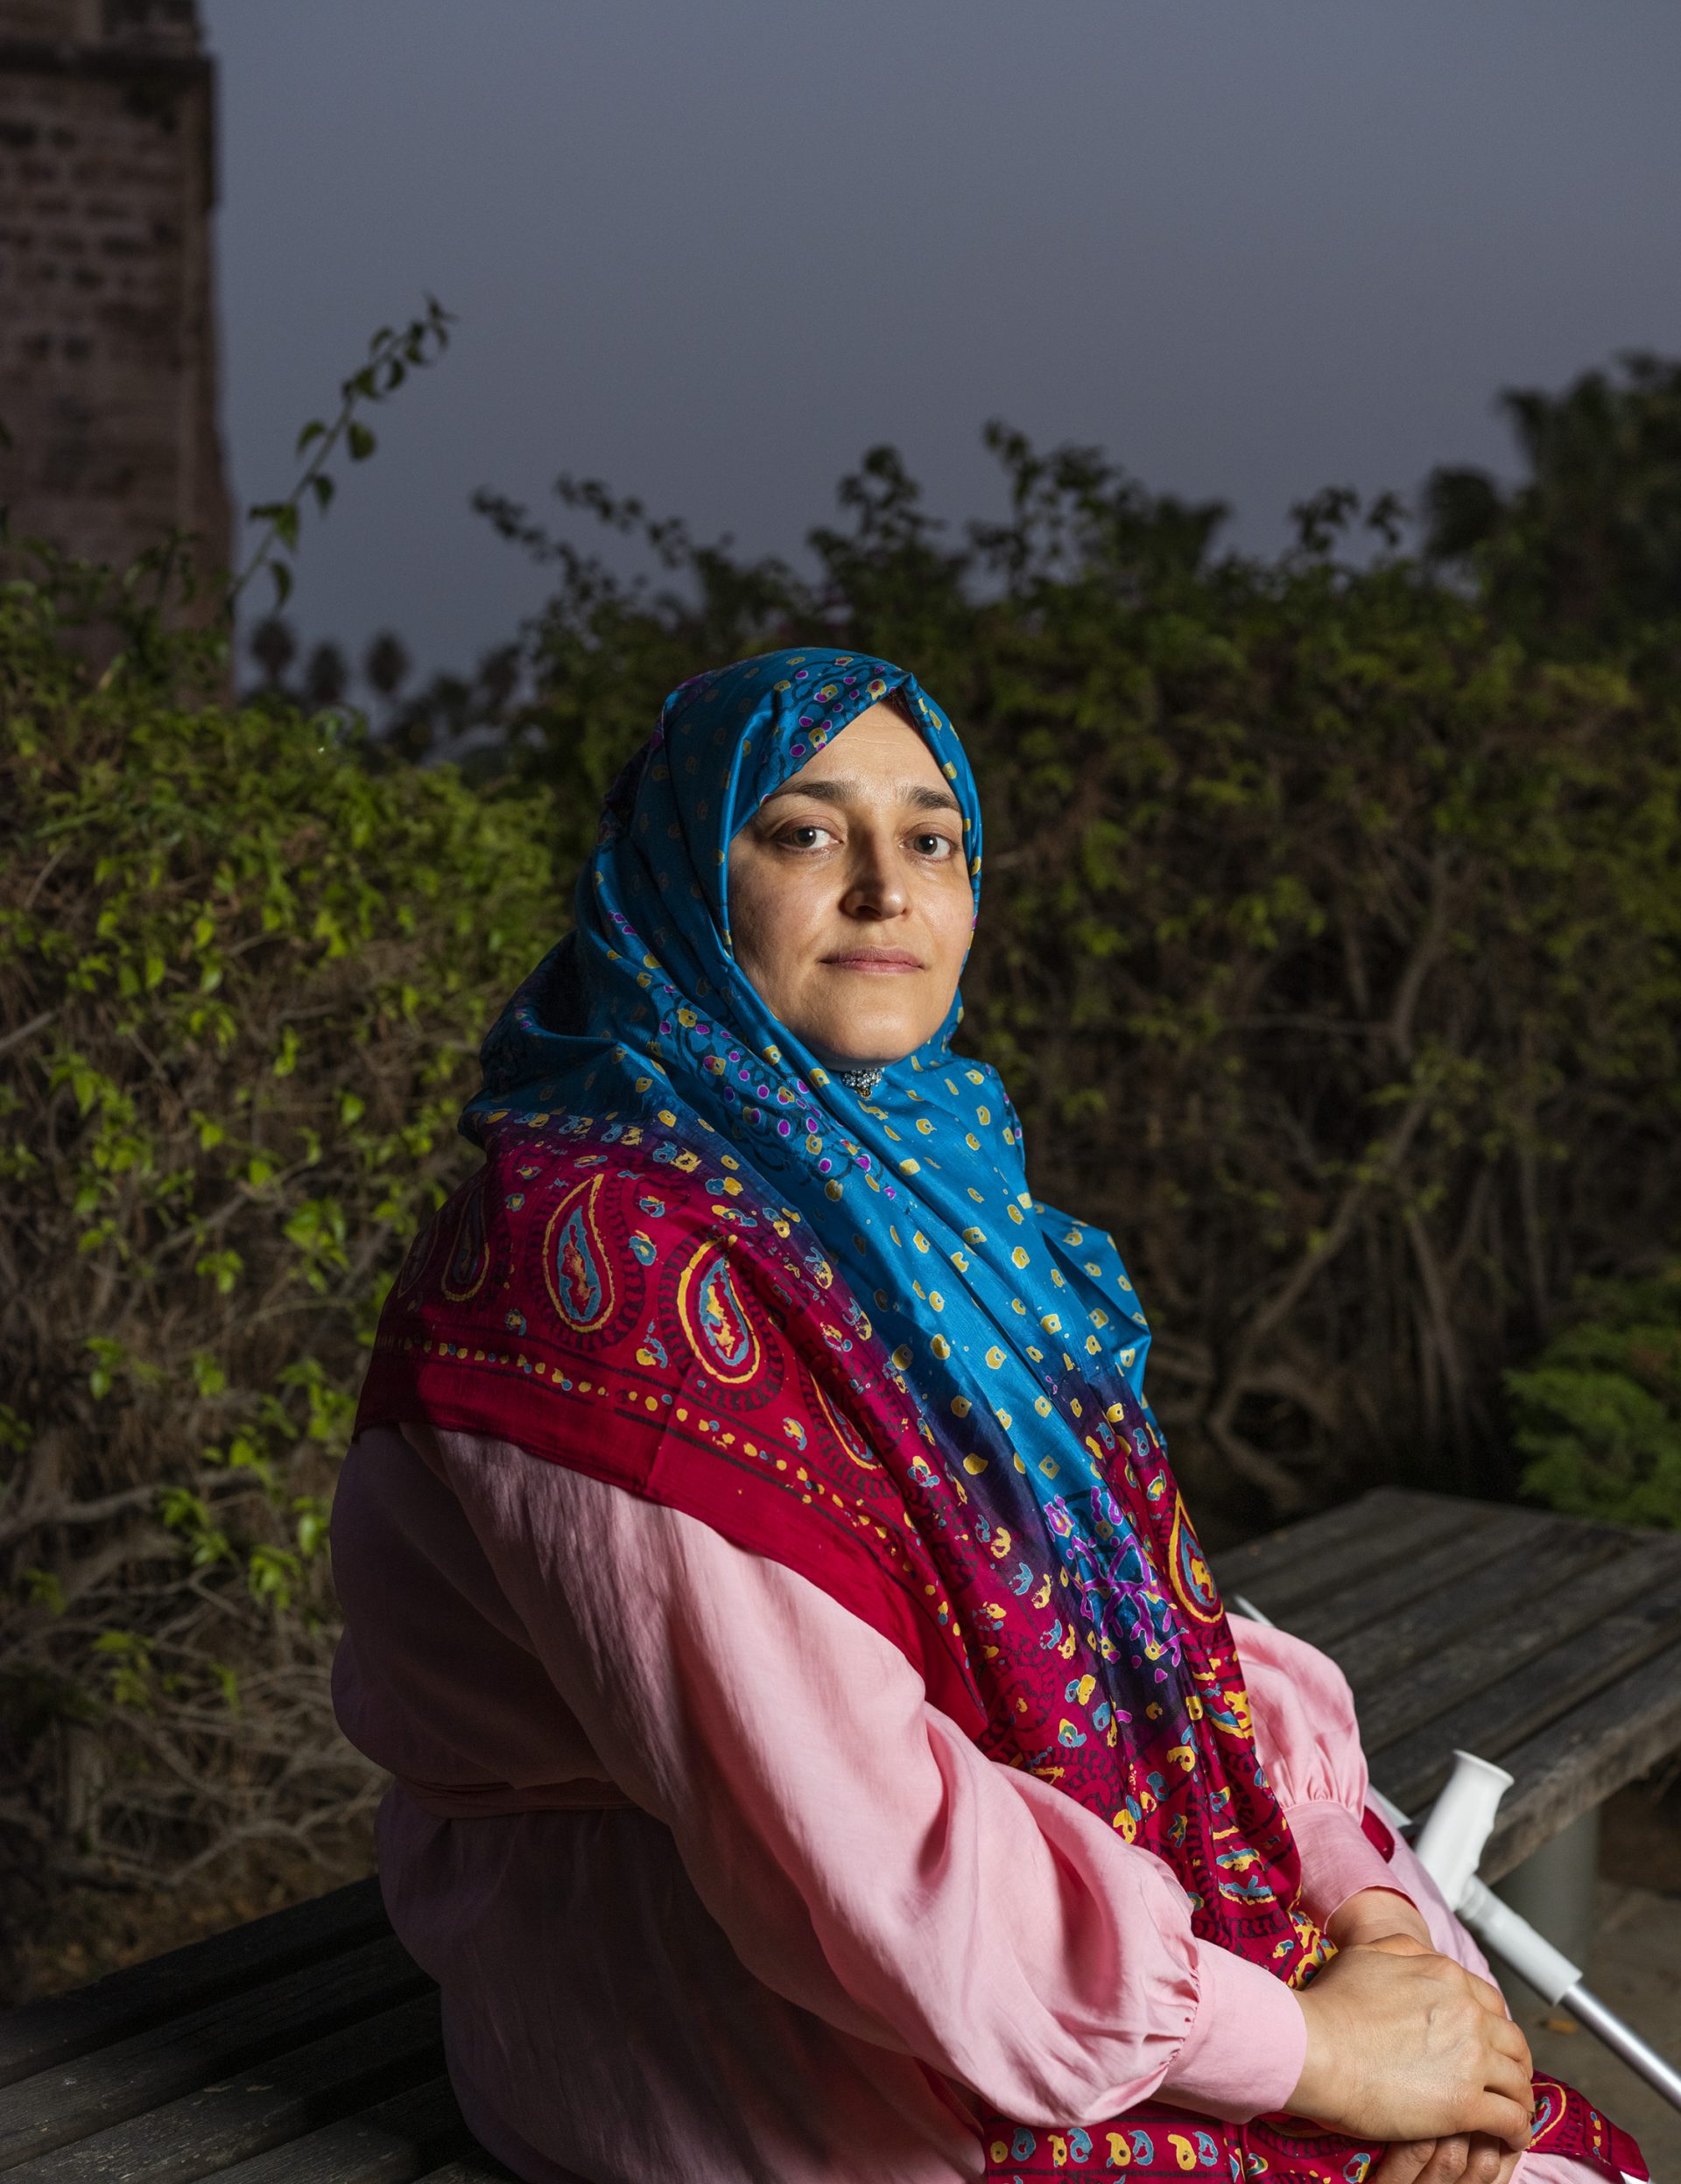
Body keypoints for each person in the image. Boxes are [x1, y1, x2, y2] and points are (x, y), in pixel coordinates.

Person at [332, 650, 1644, 2184]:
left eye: (934, 837)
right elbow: (848, 1847)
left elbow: (1176, 1628)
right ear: (685, 880)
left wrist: (1377, 1924)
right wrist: (1323, 2055)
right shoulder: (595, 1255)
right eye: (807, 832)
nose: (889, 889)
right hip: (739, 2006)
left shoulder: (935, 1190)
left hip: (1044, 1935)